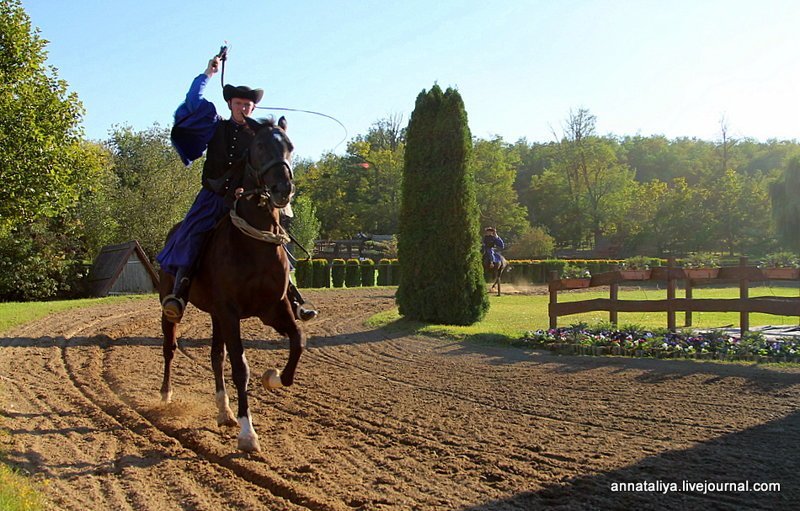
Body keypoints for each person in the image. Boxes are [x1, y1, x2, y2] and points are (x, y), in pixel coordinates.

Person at [157, 53, 317, 324]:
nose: (243, 108)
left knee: (276, 238)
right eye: (239, 103)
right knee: (191, 235)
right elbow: (193, 101)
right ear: (230, 104)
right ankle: (179, 293)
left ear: (253, 109)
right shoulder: (214, 125)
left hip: (248, 201)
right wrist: (208, 73)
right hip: (212, 198)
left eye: (248, 104)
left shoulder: (261, 140)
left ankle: (293, 296)